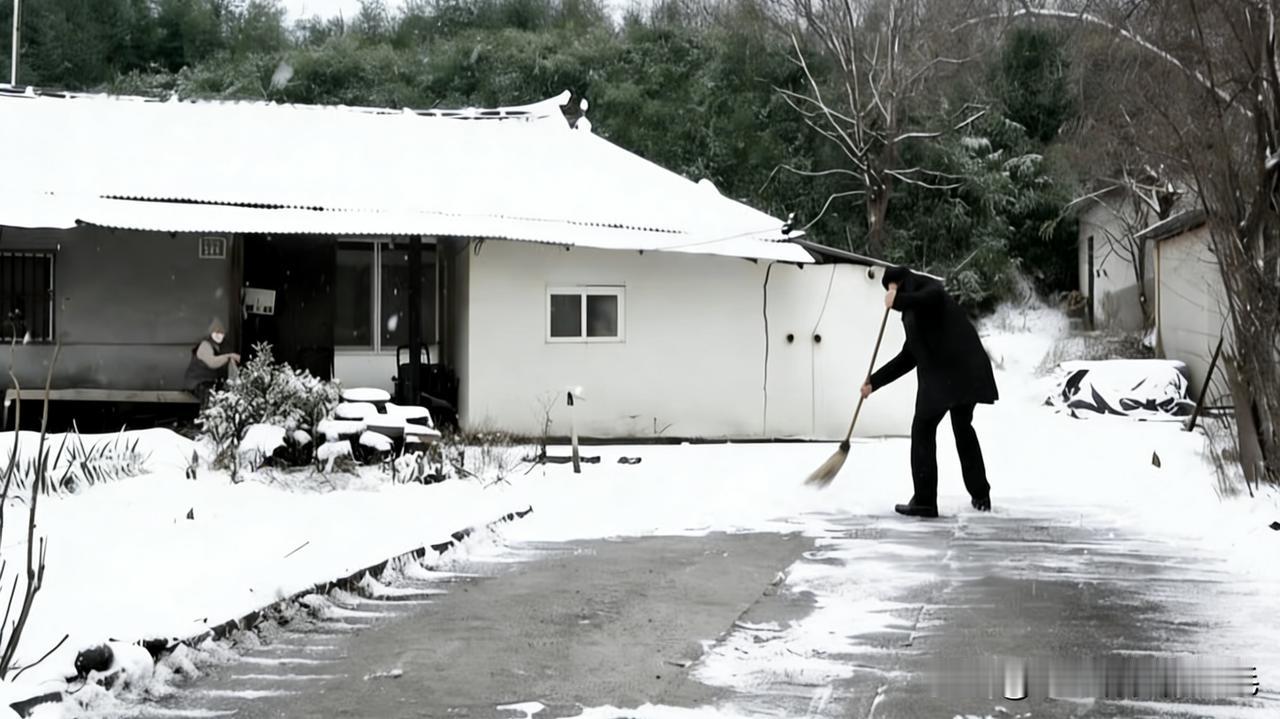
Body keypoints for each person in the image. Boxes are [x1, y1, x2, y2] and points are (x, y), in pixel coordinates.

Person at [862, 266, 998, 518]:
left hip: (953, 373)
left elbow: (931, 297)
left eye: (892, 287)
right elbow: (908, 356)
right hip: (963, 373)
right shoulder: (915, 312)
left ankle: (925, 501)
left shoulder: (928, 291)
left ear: (900, 283)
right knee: (962, 428)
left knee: (923, 428)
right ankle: (980, 495)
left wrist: (897, 299)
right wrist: (874, 382)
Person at [185, 319, 240, 405]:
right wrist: (230, 356)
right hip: (197, 385)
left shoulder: (221, 346)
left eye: (221, 333)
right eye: (216, 332)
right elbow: (212, 362)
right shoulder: (205, 345)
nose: (219, 335)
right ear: (210, 333)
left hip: (208, 384)